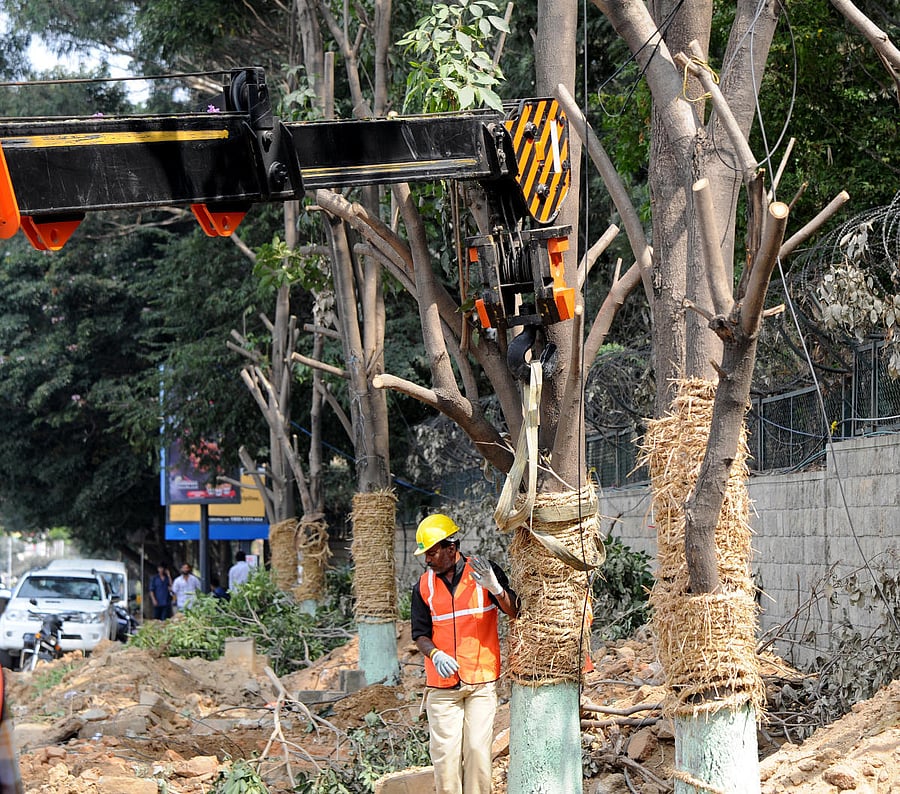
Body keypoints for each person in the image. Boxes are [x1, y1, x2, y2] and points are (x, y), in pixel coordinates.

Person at [410, 513, 519, 794]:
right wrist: (434, 654)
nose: (428, 560)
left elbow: (515, 611)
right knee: (445, 758)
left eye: (432, 552)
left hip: (480, 682)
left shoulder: (484, 571)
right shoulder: (423, 586)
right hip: (442, 688)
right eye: (425, 554)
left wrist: (496, 589)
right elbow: (419, 633)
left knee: (477, 752)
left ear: (451, 547)